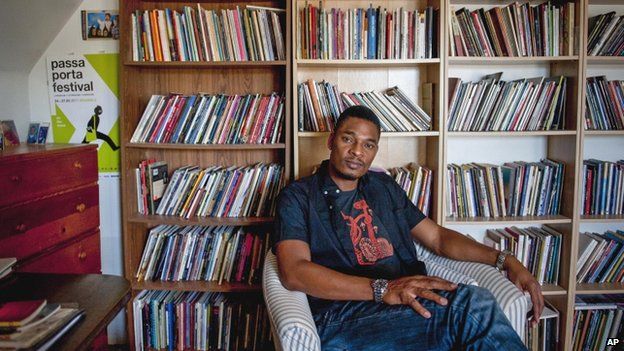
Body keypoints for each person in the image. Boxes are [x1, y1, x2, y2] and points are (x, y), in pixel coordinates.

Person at [272, 105, 543, 350]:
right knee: (472, 306)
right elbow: (294, 272)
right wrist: (383, 289)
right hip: (343, 315)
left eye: (368, 145)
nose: (357, 151)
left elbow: (437, 237)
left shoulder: (383, 188)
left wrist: (505, 260)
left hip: (407, 304)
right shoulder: (298, 196)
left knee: (470, 313)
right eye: (348, 139)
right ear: (331, 140)